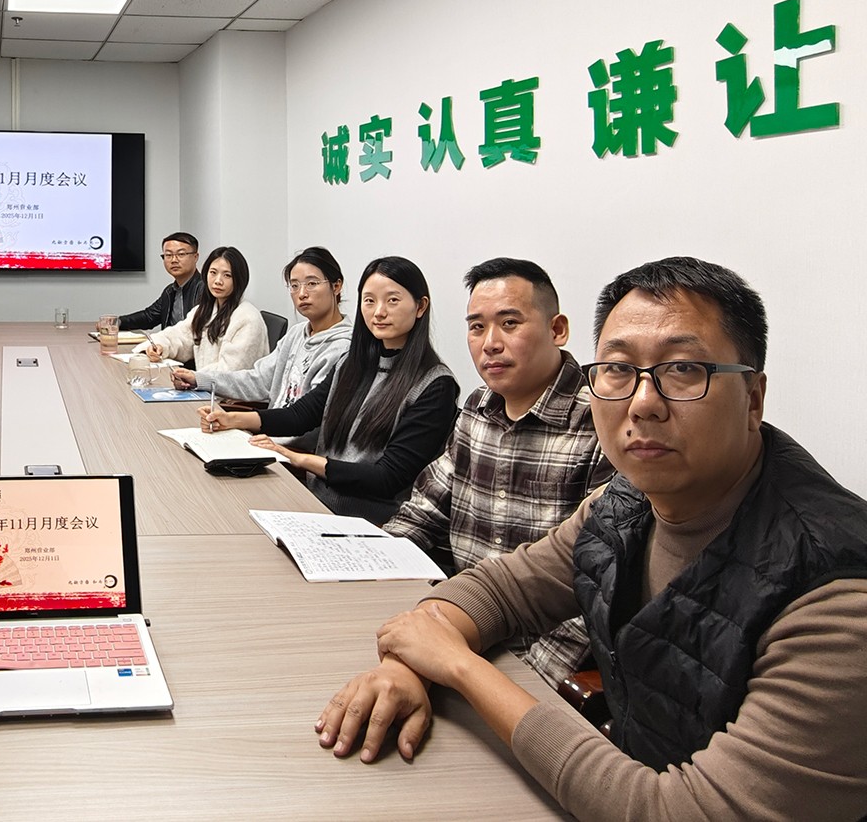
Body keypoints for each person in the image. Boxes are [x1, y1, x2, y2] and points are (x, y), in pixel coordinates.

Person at [316, 257, 867, 820]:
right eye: (619, 370)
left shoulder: (837, 600)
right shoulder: (625, 502)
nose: (643, 403)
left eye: (683, 369)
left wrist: (457, 666)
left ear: (753, 398)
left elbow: (677, 811)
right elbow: (501, 588)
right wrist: (406, 667)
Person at [383, 257, 613, 687]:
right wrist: (372, 571)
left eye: (509, 324)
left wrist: (509, 684)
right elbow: (423, 511)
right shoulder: (477, 407)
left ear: (557, 329)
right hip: (455, 624)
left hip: (526, 663)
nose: (490, 343)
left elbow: (593, 595)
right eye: (476, 327)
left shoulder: (601, 423)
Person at [200, 256, 458, 524]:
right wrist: (232, 419)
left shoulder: (435, 385)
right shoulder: (352, 363)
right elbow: (300, 415)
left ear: (420, 306)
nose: (379, 312)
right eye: (369, 301)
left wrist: (299, 459)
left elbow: (387, 478)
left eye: (392, 300)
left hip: (367, 522)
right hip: (315, 500)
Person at [173, 246, 351, 408]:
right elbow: (258, 380)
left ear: (336, 286)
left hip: (283, 432)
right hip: (270, 428)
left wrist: (245, 420)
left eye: (312, 284)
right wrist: (199, 379)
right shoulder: (297, 334)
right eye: (295, 286)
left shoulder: (344, 348)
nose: (302, 294)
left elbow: (308, 417)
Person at [137, 246, 268, 372]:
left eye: (227, 275)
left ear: (240, 280)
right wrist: (158, 346)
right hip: (205, 384)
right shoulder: (204, 310)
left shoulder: (248, 319)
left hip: (224, 387)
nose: (218, 281)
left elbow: (232, 371)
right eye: (213, 273)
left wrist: (194, 377)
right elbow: (180, 336)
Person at [119, 232, 203, 330]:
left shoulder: (205, 288)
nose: (174, 260)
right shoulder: (169, 291)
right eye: (168, 255)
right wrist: (117, 322)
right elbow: (149, 317)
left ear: (195, 257)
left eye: (181, 254)